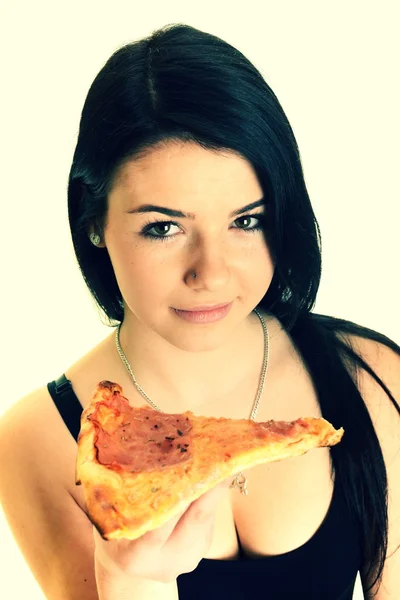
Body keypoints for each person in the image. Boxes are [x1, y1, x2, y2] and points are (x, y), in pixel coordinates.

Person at [0, 22, 399, 600]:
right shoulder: (35, 439)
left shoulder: (371, 375)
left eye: (246, 221)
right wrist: (133, 578)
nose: (210, 272)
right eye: (163, 227)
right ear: (94, 223)